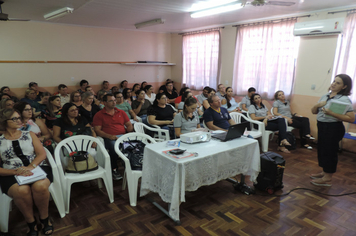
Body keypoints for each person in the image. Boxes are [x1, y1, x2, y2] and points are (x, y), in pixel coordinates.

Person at [0, 108, 54, 236]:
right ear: (4, 122)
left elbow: (42, 154)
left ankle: (45, 219)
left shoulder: (29, 134)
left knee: (40, 186)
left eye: (19, 117)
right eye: (14, 119)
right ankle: (31, 223)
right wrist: (14, 172)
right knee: (21, 190)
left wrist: (30, 166)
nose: (19, 120)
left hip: (35, 168)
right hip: (11, 172)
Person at [310, 74, 355, 187]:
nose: (334, 84)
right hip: (322, 126)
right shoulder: (326, 95)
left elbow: (351, 118)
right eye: (334, 81)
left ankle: (328, 179)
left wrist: (331, 113)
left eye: (338, 83)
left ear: (344, 87)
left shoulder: (344, 99)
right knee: (322, 150)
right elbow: (314, 111)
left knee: (330, 152)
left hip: (333, 128)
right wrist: (318, 105)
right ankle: (325, 172)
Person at [93, 94, 133, 180]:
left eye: (114, 100)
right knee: (115, 148)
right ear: (104, 103)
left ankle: (130, 166)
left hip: (123, 136)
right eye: (111, 101)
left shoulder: (121, 112)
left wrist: (129, 130)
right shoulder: (99, 115)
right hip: (108, 137)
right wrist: (109, 136)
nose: (114, 102)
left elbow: (129, 124)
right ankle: (114, 169)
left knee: (133, 146)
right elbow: (97, 130)